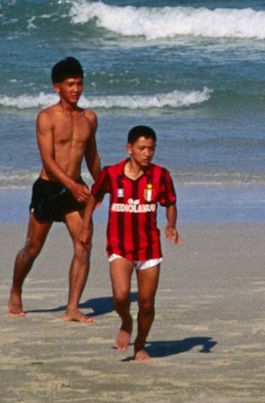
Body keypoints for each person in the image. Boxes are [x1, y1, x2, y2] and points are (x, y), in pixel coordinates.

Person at [8, 57, 102, 322]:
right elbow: (48, 159)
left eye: (80, 84)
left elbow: (92, 157)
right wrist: (71, 184)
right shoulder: (46, 118)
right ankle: (16, 289)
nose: (76, 89)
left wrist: (105, 185)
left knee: (83, 245)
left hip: (76, 192)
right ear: (56, 87)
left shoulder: (89, 118)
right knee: (33, 248)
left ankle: (72, 307)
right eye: (70, 84)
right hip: (49, 190)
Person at [95, 125, 182, 362]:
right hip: (119, 245)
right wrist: (85, 221)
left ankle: (140, 345)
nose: (148, 153)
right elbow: (96, 194)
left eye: (151, 149)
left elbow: (170, 203)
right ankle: (125, 322)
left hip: (150, 248)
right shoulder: (111, 173)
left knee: (146, 303)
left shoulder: (161, 175)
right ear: (129, 148)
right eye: (142, 148)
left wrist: (171, 225)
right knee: (121, 296)